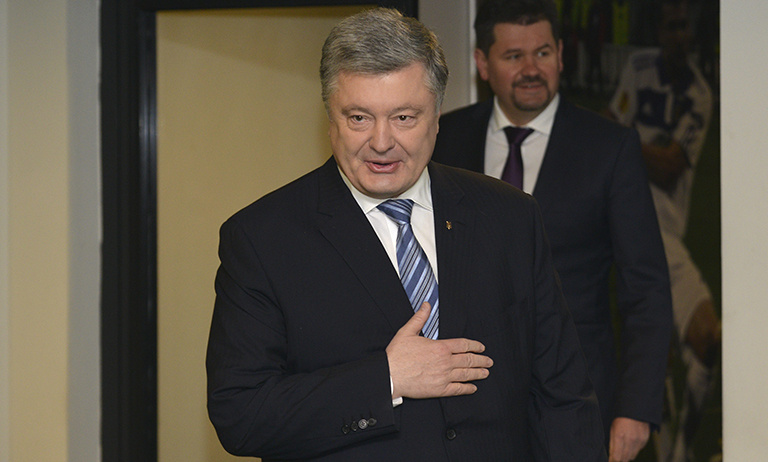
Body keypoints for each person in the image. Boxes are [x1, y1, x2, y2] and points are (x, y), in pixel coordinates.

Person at [206, 7, 606, 462]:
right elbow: (242, 416)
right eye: (359, 118)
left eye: (404, 117)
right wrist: (387, 379)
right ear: (329, 117)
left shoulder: (510, 217)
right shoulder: (263, 238)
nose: (381, 142)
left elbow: (563, 399)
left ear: (437, 116)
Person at [431, 1, 673, 461]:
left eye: (542, 53)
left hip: (579, 401)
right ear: (483, 63)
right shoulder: (444, 140)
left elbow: (646, 288)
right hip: (465, 404)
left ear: (561, 55)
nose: (531, 69)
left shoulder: (610, 147)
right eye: (513, 56)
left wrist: (637, 409)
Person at [606, 1, 719, 461]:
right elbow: (611, 122)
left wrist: (627, 142)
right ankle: (680, 451)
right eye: (671, 27)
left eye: (684, 27)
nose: (679, 36)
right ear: (659, 32)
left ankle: (674, 440)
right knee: (706, 336)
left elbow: (672, 165)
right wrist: (640, 147)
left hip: (666, 229)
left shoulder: (700, 93)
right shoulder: (639, 67)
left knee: (674, 345)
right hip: (638, 225)